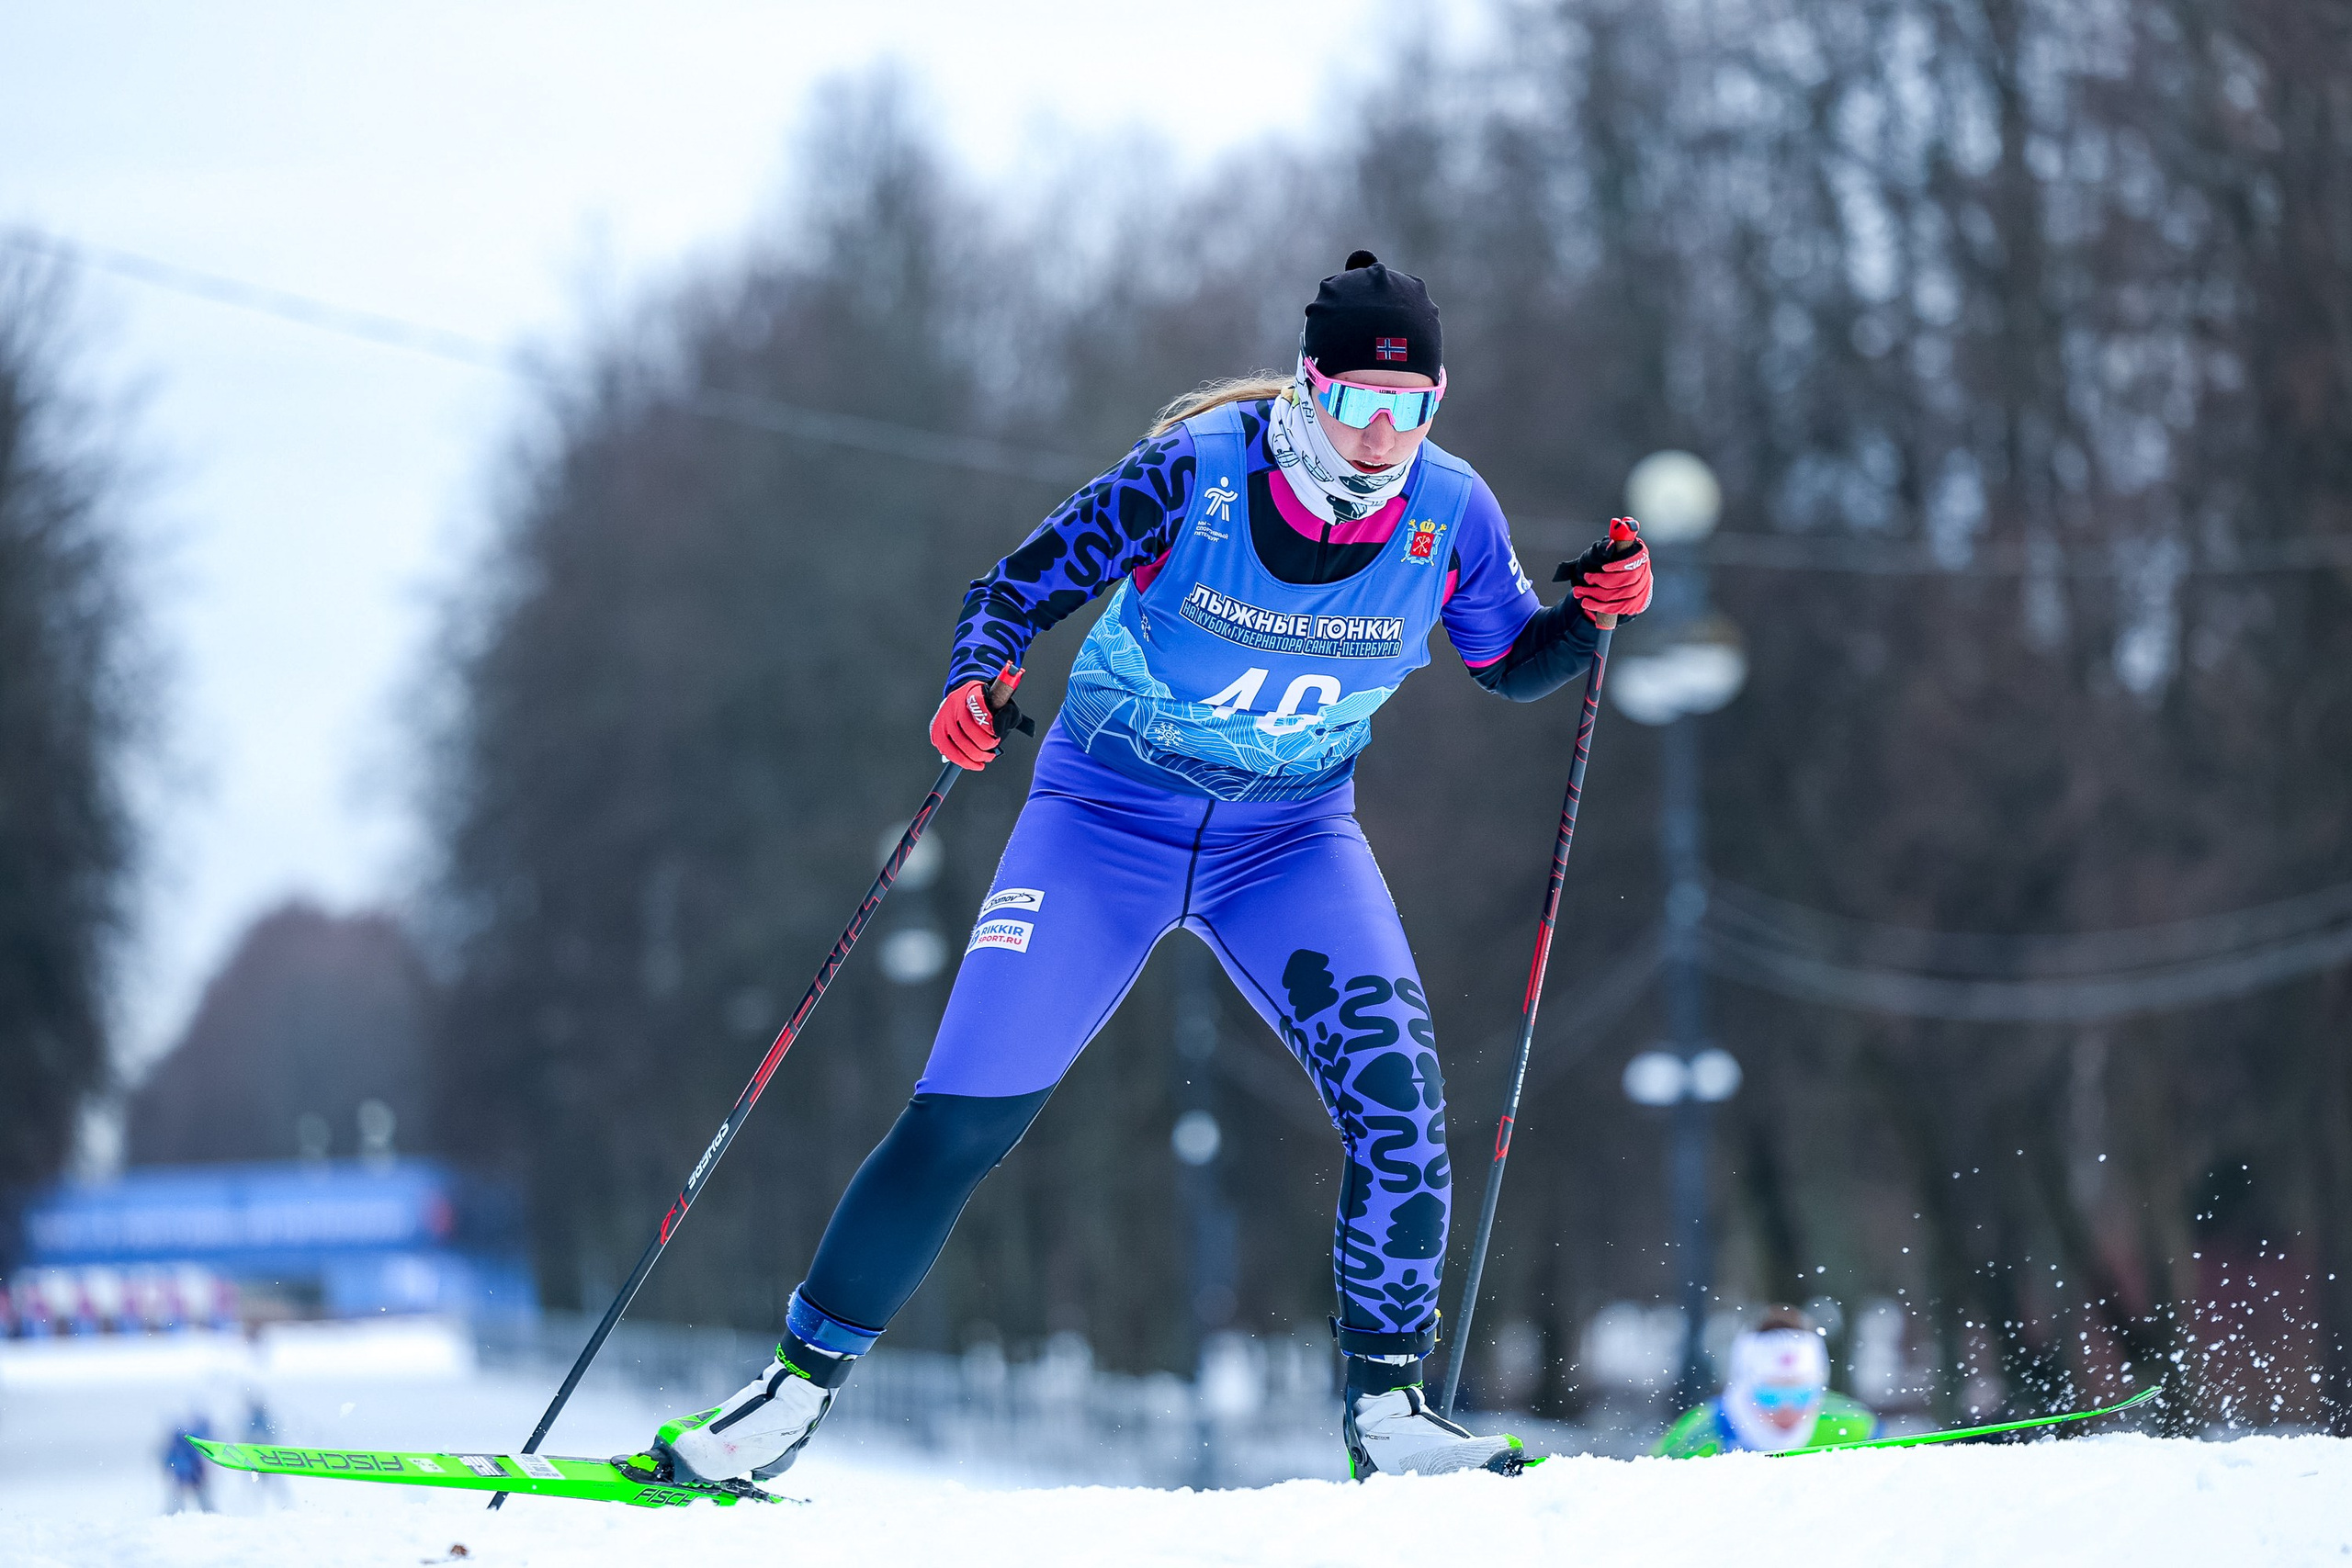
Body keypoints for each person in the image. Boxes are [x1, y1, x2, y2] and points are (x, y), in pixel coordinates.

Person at [628, 252, 1653, 1485]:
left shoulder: (1453, 510)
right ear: (1309, 385)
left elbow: (1511, 663)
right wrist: (973, 680)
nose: (1384, 434)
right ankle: (790, 1394)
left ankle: (1388, 1412)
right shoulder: (1197, 476)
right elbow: (1013, 589)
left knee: (1403, 1108)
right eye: (1359, 402)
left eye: (1414, 406)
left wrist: (1590, 613)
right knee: (964, 1112)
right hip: (1102, 825)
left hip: (1290, 842)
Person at [1652, 1306, 1878, 1457]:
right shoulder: (1696, 1439)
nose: (1787, 1409)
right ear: (1745, 1386)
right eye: (1771, 1396)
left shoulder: (1854, 1429)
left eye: (1803, 1395)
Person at [161, 1411, 214, 1513]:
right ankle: (209, 1511)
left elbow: (169, 1460)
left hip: (190, 1474)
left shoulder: (177, 1445)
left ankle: (174, 1513)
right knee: (198, 1496)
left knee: (199, 1496)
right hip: (190, 1475)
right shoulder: (185, 1444)